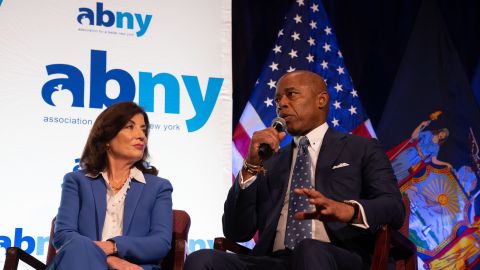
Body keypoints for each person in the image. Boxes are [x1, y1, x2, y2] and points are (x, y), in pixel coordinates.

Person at [184, 70, 404, 270]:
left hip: (339, 256)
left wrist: (348, 210)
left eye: (291, 95)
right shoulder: (269, 162)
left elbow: (393, 207)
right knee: (201, 260)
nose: (282, 104)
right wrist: (251, 166)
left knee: (309, 250)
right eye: (278, 99)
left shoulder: (360, 148)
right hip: (273, 261)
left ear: (321, 100)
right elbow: (236, 231)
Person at [48, 102, 173, 270]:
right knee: (76, 249)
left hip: (131, 268)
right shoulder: (76, 181)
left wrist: (113, 246)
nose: (141, 135)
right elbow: (64, 236)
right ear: (107, 138)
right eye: (130, 127)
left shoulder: (158, 187)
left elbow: (160, 242)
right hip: (80, 264)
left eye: (144, 129)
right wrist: (107, 259)